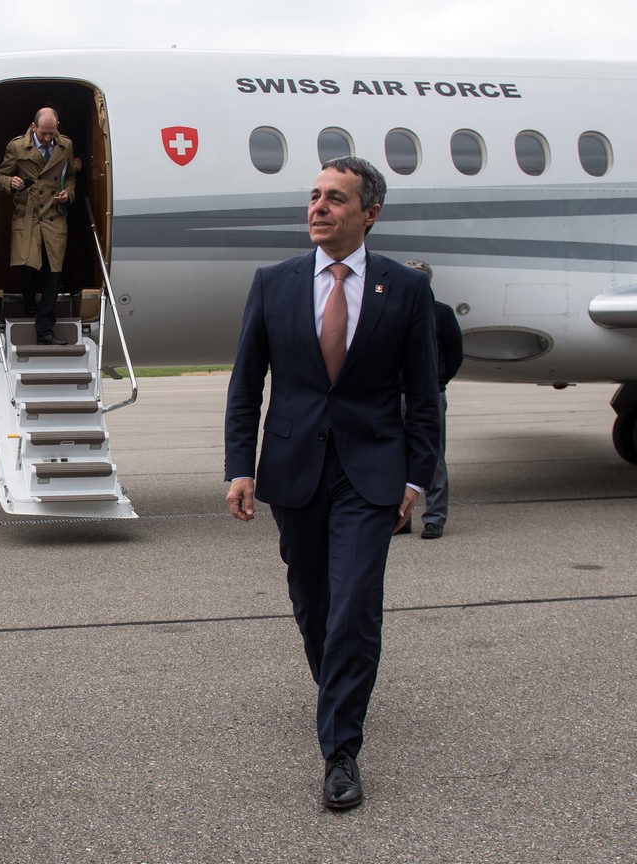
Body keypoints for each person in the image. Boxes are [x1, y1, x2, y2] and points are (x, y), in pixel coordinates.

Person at [224, 156, 440, 811]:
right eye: (315, 196)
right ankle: (338, 688)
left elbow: (424, 396)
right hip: (296, 470)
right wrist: (240, 467)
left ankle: (341, 751)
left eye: (335, 199)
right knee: (313, 601)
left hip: (372, 474)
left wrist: (417, 478)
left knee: (354, 607)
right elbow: (246, 385)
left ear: (369, 213)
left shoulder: (406, 289)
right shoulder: (274, 283)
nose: (319, 208)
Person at [0, 107, 75, 345]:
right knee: (27, 266)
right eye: (43, 133)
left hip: (53, 216)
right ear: (33, 127)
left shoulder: (66, 145)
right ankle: (29, 304)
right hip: (27, 215)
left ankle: (45, 330)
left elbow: (71, 176)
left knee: (53, 271)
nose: (48, 138)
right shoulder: (17, 147)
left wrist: (68, 193)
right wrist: (11, 182)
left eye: (52, 132)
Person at [402, 259, 464, 540]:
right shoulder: (392, 312)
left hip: (430, 396)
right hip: (397, 395)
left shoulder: (441, 313)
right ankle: (402, 517)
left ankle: (435, 518)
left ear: (426, 282)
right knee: (397, 457)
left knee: (434, 457)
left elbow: (454, 354)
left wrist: (437, 382)